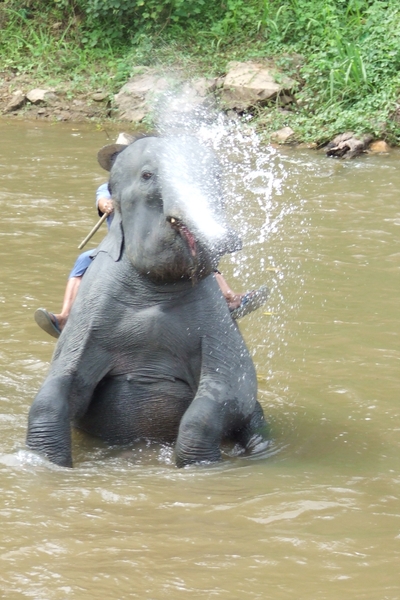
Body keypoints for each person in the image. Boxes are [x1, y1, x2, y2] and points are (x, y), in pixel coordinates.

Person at [34, 133, 268, 338]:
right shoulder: (111, 187)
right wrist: (108, 205)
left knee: (198, 251)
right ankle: (66, 316)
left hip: (159, 243)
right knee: (84, 260)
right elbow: (102, 200)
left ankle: (229, 297)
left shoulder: (159, 178)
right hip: (122, 248)